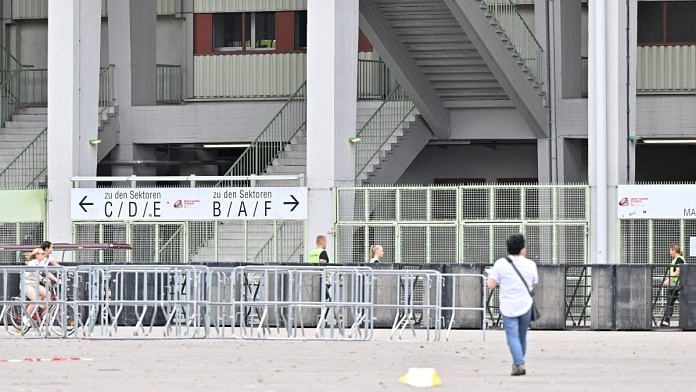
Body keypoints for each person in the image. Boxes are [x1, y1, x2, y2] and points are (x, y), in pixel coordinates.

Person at [487, 234, 539, 376]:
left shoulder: (500, 264)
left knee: (512, 337)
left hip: (508, 306)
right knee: (522, 336)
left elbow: (491, 285)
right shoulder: (530, 264)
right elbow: (534, 283)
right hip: (525, 305)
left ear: (508, 248)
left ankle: (519, 363)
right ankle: (518, 362)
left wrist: (490, 276)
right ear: (522, 249)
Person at [23, 248, 57, 325]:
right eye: (42, 254)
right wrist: (42, 279)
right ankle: (26, 317)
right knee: (35, 300)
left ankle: (43, 312)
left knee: (48, 294)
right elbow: (35, 273)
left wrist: (56, 280)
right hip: (27, 284)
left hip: (35, 284)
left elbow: (47, 272)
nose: (44, 255)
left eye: (44, 254)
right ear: (37, 255)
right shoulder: (32, 263)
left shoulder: (41, 263)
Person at [661, 243, 686, 327]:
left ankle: (665, 322)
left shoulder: (679, 259)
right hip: (675, 285)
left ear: (674, 250)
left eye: (670, 250)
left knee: (671, 303)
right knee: (671, 303)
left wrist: (668, 280)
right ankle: (665, 322)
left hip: (677, 285)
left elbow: (678, 272)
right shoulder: (675, 259)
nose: (669, 252)